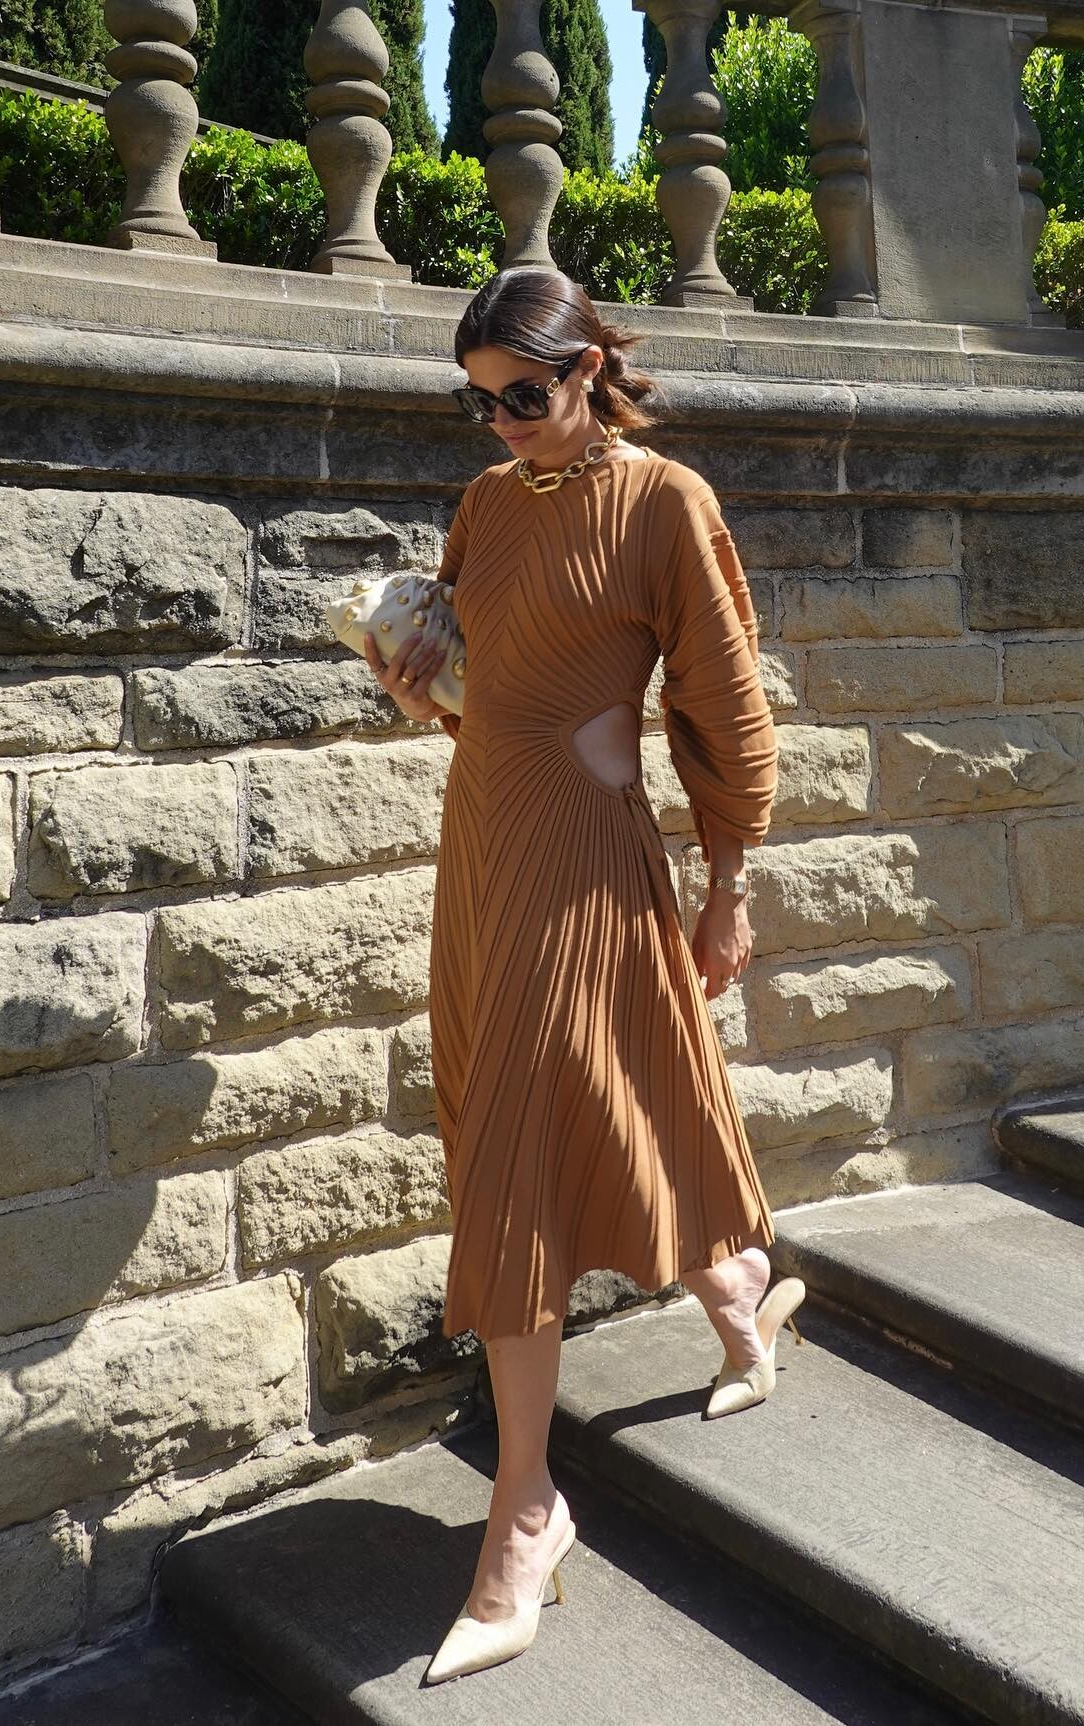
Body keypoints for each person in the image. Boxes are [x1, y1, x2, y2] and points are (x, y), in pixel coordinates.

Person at [359, 266, 805, 1685]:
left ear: (591, 367)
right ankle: (740, 1289)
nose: (501, 422)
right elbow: (483, 687)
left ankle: (524, 1511)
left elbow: (723, 704)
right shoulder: (486, 507)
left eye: (525, 393)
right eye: (479, 402)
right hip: (485, 856)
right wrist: (416, 674)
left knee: (521, 1155)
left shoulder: (667, 502)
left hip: (591, 863)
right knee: (587, 1112)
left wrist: (729, 887)